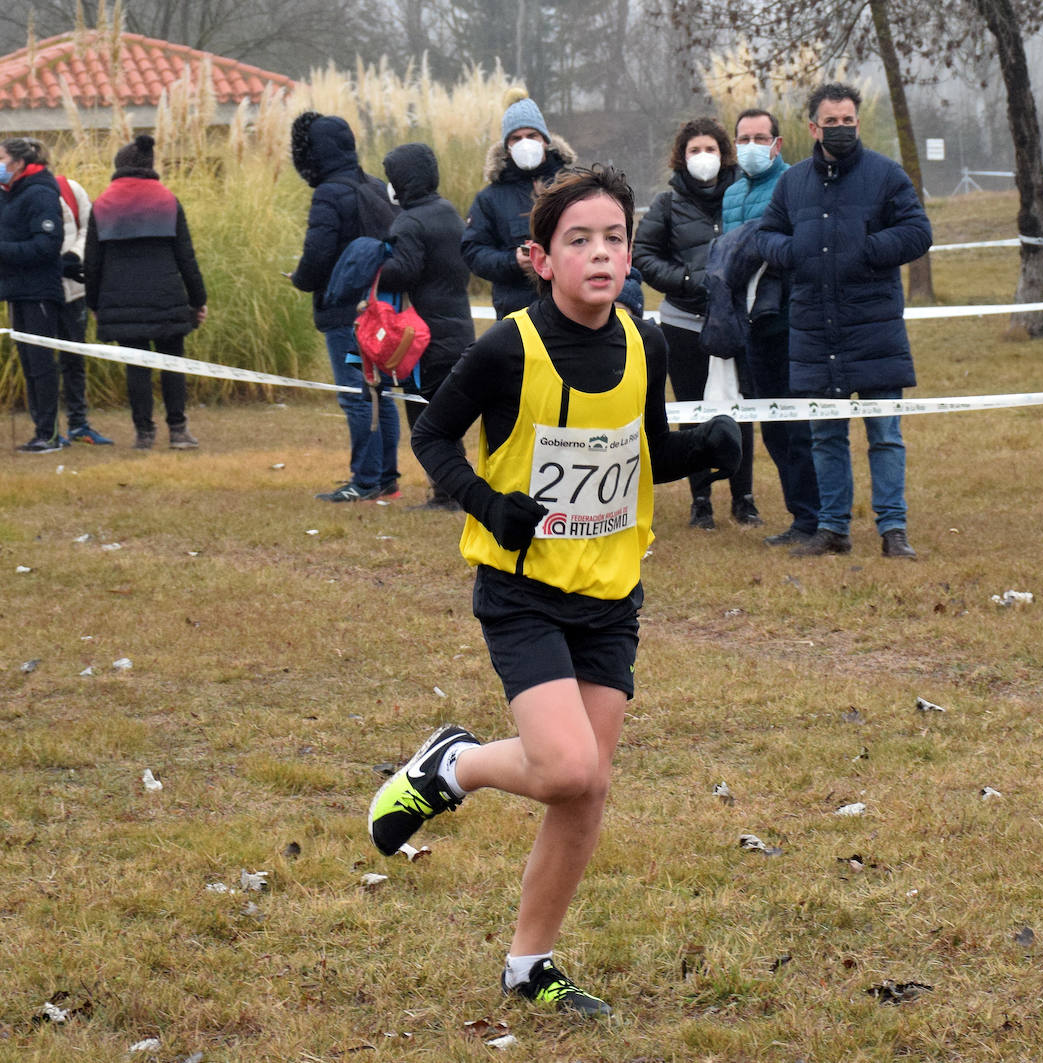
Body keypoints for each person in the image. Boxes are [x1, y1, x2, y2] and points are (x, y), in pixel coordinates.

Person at [369, 165, 742, 1017]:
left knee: (586, 786)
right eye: (580, 240)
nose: (602, 254)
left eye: (615, 237)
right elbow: (431, 433)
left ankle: (529, 965)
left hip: (612, 593)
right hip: (524, 591)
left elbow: (646, 450)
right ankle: (452, 765)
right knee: (565, 765)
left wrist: (707, 449)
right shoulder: (509, 346)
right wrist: (487, 503)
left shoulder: (644, 341)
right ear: (539, 256)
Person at [756, 83, 932, 559]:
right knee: (825, 434)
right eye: (830, 122)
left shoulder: (887, 175)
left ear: (857, 122)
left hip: (873, 326)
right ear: (812, 127)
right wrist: (793, 252)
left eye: (847, 120)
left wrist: (869, 249)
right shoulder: (791, 183)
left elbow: (918, 232)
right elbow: (766, 235)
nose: (839, 129)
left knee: (885, 435)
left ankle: (893, 530)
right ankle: (833, 529)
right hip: (814, 328)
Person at [633, 117, 759, 531]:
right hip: (683, 323)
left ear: (724, 154)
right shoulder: (666, 204)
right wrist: (688, 280)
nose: (702, 157)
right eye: (694, 150)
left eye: (710, 149)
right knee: (693, 412)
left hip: (737, 321)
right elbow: (644, 255)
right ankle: (700, 500)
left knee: (742, 410)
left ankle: (744, 498)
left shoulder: (744, 196)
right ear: (681, 157)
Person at [290, 111, 401, 501]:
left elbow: (317, 253)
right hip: (380, 312)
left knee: (356, 393)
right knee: (380, 392)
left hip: (344, 318)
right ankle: (386, 477)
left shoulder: (329, 194)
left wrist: (300, 280)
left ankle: (365, 480)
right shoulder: (377, 186)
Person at [722, 108, 820, 547]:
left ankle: (813, 517)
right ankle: (800, 514)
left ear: (777, 144)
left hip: (789, 322)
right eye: (744, 138)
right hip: (749, 326)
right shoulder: (732, 193)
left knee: (799, 427)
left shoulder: (795, 182)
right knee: (772, 426)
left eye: (760, 138)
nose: (751, 146)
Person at [83, 134, 207, 450]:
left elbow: (92, 262)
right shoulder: (168, 200)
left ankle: (144, 433)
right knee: (173, 363)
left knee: (136, 366)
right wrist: (198, 300)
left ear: (119, 167)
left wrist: (94, 302)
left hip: (119, 298)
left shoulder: (102, 204)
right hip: (167, 296)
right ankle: (178, 430)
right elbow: (186, 257)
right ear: (150, 164)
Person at [379, 142, 476, 510]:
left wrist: (373, 264)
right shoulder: (448, 211)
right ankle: (448, 489)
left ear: (403, 181)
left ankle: (449, 492)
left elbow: (403, 271)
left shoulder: (409, 221)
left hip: (423, 338)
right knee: (444, 415)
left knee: (427, 421)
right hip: (458, 330)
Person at [0, 137, 68, 453]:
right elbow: (13, 239)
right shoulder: (3, 196)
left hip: (39, 290)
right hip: (14, 290)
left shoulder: (41, 193)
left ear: (19, 163)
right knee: (28, 364)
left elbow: (47, 245)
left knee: (41, 364)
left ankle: (49, 434)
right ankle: (41, 430)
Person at [27, 139, 113, 446]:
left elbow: (89, 228)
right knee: (39, 361)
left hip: (73, 290)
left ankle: (79, 423)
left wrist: (74, 257)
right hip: (37, 294)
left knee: (74, 358)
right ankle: (46, 427)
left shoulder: (70, 189)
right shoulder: (16, 197)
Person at [462, 89, 577, 320]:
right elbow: (473, 252)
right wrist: (512, 261)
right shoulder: (489, 198)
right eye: (516, 138)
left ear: (545, 140)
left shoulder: (573, 186)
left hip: (572, 309)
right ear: (507, 147)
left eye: (531, 135)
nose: (525, 143)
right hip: (517, 315)